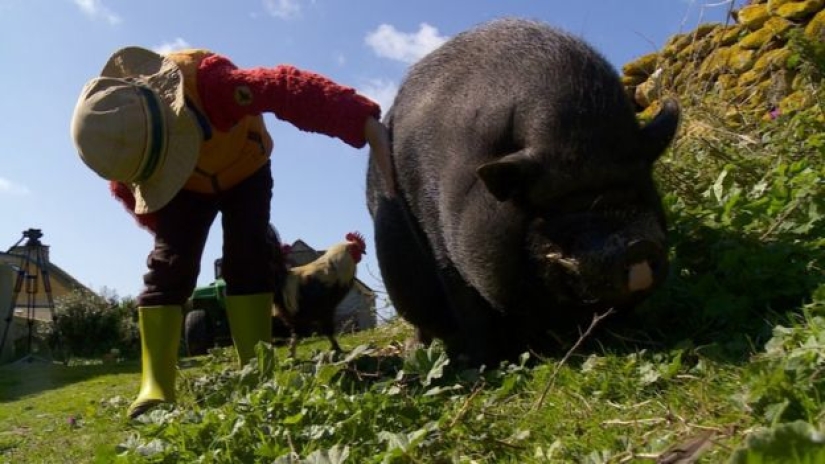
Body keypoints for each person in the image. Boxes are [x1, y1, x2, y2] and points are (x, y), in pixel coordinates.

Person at [70, 46, 397, 419]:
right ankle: (155, 386)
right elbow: (146, 210)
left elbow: (287, 88)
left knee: (248, 257)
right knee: (169, 267)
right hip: (184, 188)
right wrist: (172, 238)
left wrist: (362, 122)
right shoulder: (120, 152)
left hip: (245, 170)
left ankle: (257, 372)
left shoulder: (214, 86)